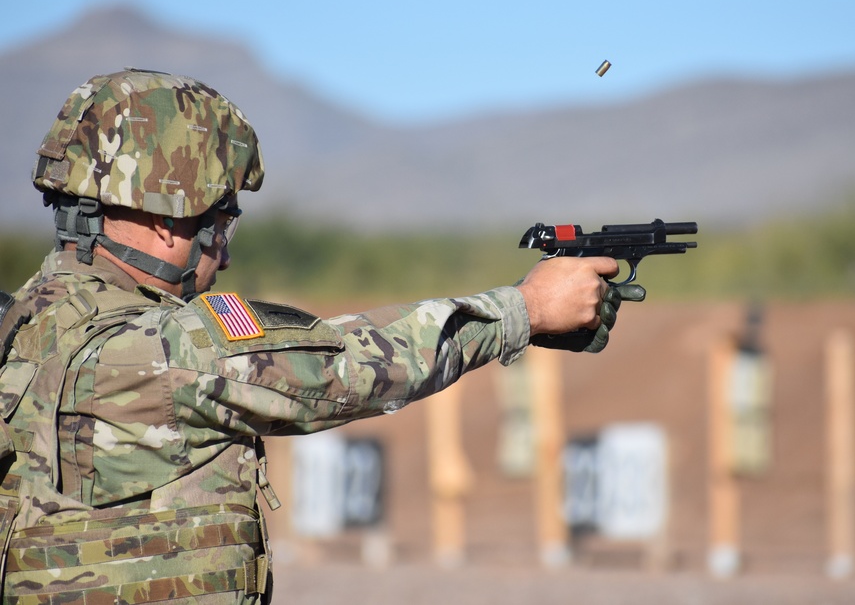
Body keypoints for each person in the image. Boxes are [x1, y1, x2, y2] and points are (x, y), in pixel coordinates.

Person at [0, 69, 644, 604]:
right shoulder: (160, 350)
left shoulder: (20, 324)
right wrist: (526, 308)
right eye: (217, 224)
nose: (221, 256)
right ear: (170, 221)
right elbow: (350, 365)